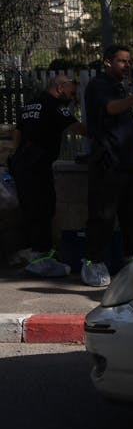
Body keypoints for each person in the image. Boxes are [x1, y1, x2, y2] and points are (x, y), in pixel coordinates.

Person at [81, 44, 133, 287]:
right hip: (107, 164)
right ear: (107, 62)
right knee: (103, 215)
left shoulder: (118, 87)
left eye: (128, 61)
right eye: (122, 61)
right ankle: (92, 261)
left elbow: (118, 126)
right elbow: (109, 109)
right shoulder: (99, 86)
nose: (127, 65)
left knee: (132, 215)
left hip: (127, 164)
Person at [8, 74, 86, 277]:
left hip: (23, 163)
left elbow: (18, 130)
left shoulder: (31, 104)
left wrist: (16, 157)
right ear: (60, 88)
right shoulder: (55, 106)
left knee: (31, 209)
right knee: (43, 208)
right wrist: (105, 133)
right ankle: (41, 259)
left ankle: (36, 254)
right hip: (37, 164)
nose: (73, 96)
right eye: (71, 91)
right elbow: (78, 128)